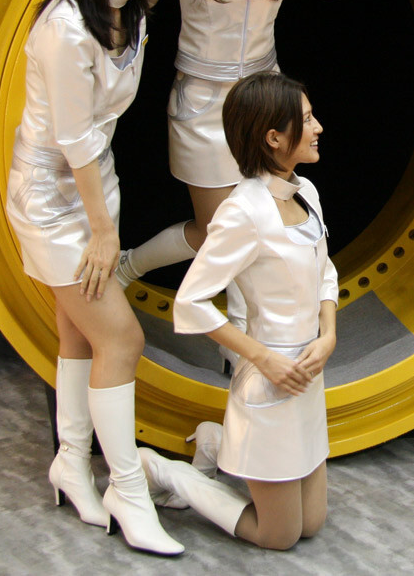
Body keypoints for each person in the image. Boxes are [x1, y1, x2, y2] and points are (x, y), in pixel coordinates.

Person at [114, 0, 349, 349]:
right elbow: (137, 0)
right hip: (201, 100)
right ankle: (130, 266)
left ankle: (246, 355)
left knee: (262, 226)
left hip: (267, 99)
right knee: (215, 233)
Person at [3, 0, 183, 556]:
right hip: (52, 200)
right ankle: (127, 490)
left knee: (78, 335)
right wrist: (104, 234)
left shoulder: (128, 0)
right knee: (122, 339)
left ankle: (71, 461)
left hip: (94, 184)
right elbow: (74, 137)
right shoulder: (65, 29)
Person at [138, 71, 338, 551]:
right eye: (307, 119)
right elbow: (191, 301)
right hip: (269, 378)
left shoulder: (306, 193)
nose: (318, 128)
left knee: (312, 524)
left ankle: (215, 439)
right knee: (278, 536)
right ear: (274, 138)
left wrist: (328, 335)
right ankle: (163, 470)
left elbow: (325, 271)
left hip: (308, 376)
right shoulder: (242, 210)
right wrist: (263, 358)